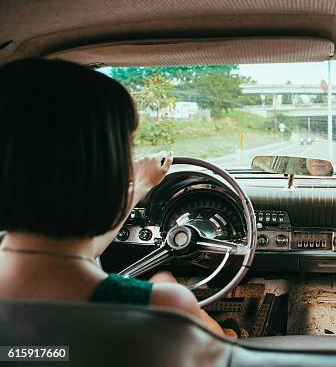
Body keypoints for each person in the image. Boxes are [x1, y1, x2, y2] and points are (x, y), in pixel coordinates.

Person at [0, 59, 236, 338]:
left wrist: (141, 188)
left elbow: (76, 253)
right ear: (105, 172)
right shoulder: (167, 307)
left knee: (161, 277)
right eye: (129, 145)